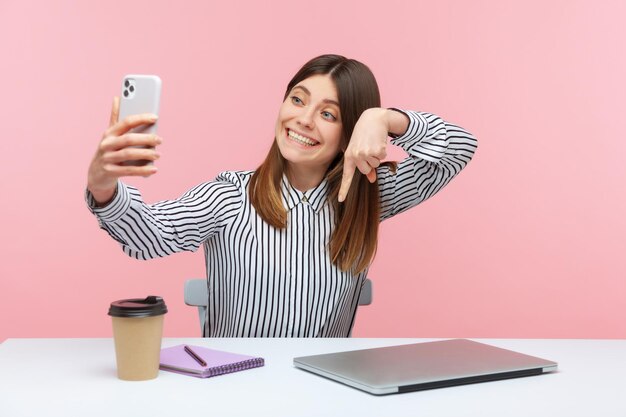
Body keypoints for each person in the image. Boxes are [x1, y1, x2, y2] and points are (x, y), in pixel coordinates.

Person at [86, 54, 478, 337]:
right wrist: (104, 185)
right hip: (236, 391)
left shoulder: (370, 193)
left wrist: (384, 118)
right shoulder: (230, 196)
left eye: (329, 114)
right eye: (297, 99)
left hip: (327, 394)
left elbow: (460, 148)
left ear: (350, 132)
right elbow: (148, 236)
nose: (303, 120)